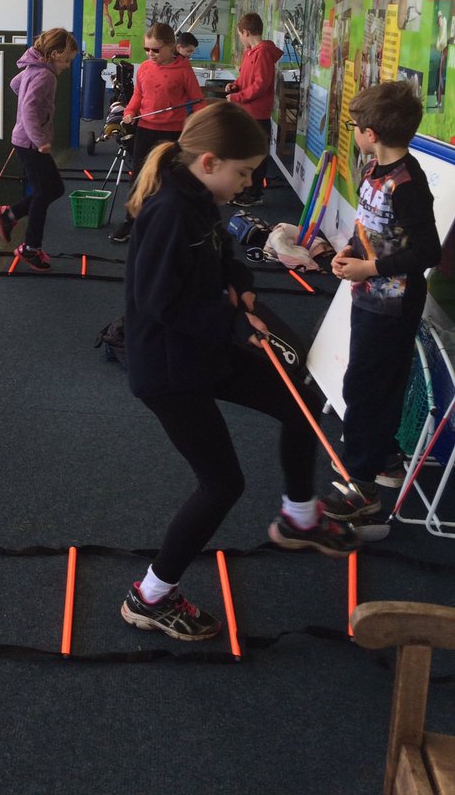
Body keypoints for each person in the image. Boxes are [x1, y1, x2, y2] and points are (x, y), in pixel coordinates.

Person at [120, 101, 357, 641]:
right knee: (222, 484)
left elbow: (222, 252)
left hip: (205, 351)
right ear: (209, 162)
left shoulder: (199, 198)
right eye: (243, 173)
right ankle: (149, 597)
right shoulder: (167, 211)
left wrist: (240, 284)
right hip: (169, 371)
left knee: (302, 399)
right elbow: (160, 303)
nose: (248, 183)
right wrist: (232, 321)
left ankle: (299, 515)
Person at [322, 82, 441, 522]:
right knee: (362, 384)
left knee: (370, 389)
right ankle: (382, 457)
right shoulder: (375, 170)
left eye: (355, 125)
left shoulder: (408, 183)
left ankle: (362, 488)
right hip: (369, 298)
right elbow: (371, 229)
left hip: (393, 305)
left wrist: (369, 270)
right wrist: (349, 253)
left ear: (371, 132)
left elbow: (425, 253)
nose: (354, 132)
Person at [0, 27, 78, 272]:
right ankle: (30, 248)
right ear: (53, 54)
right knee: (45, 191)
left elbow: (14, 84)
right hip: (30, 143)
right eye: (66, 60)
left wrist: (30, 108)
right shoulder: (46, 76)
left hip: (25, 140)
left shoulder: (34, 69)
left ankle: (10, 215)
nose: (67, 66)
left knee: (53, 188)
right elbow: (30, 110)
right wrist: (40, 138)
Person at [109, 23, 202, 243]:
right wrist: (130, 111)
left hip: (174, 133)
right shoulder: (145, 68)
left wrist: (198, 127)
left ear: (171, 47)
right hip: (147, 130)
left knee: (173, 180)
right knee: (140, 178)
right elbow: (138, 97)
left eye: (156, 50)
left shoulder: (183, 69)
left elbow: (198, 101)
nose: (151, 54)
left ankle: (174, 225)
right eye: (147, 49)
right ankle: (131, 221)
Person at [224, 12, 282, 207]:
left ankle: (254, 193)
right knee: (245, 153)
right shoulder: (250, 52)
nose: (240, 38)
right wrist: (234, 86)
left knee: (256, 155)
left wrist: (238, 97)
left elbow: (260, 85)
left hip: (257, 113)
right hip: (246, 112)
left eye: (240, 34)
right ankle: (244, 190)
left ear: (246, 32)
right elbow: (244, 78)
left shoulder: (263, 53)